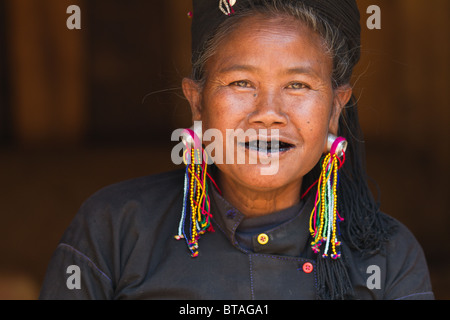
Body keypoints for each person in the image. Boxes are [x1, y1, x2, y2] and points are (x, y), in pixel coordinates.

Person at [39, 0, 434, 300]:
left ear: (335, 108)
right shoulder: (115, 227)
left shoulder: (388, 255)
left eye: (298, 85)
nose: (268, 114)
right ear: (197, 103)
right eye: (241, 82)